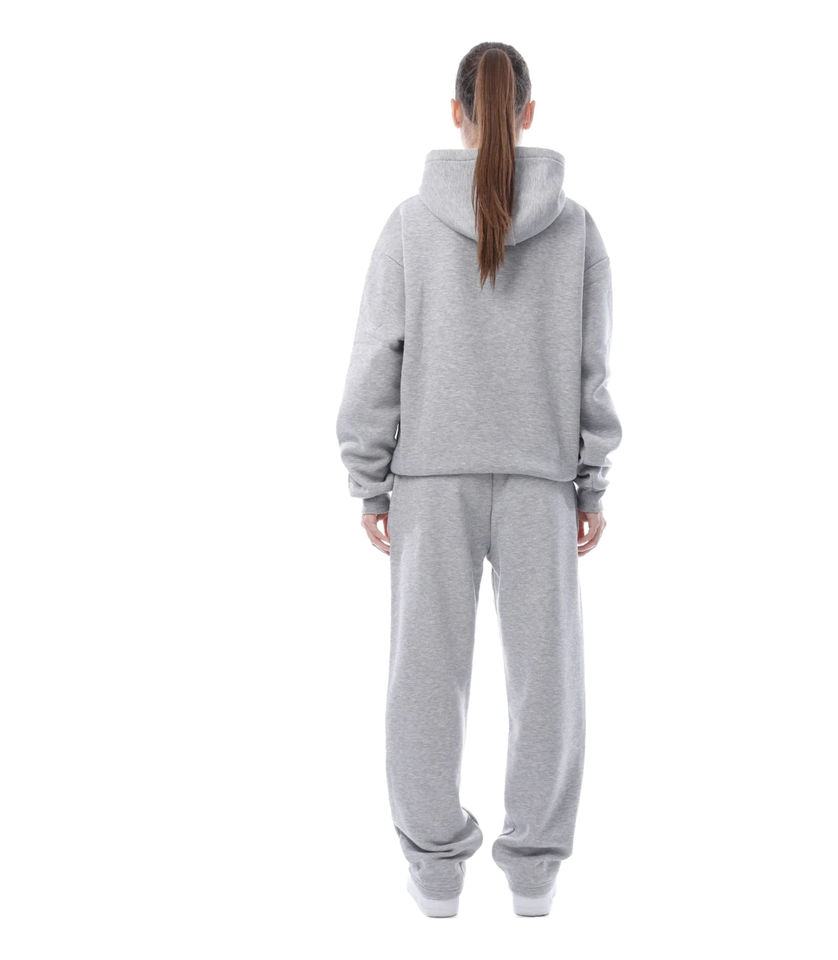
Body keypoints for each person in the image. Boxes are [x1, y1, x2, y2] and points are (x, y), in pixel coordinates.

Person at [335, 41, 622, 918]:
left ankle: (434, 877)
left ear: (456, 113)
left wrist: (370, 479)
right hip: (541, 482)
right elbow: (592, 371)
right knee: (548, 680)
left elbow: (376, 361)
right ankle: (534, 877)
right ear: (526, 114)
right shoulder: (575, 229)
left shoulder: (410, 225)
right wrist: (590, 481)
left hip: (430, 483)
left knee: (424, 679)